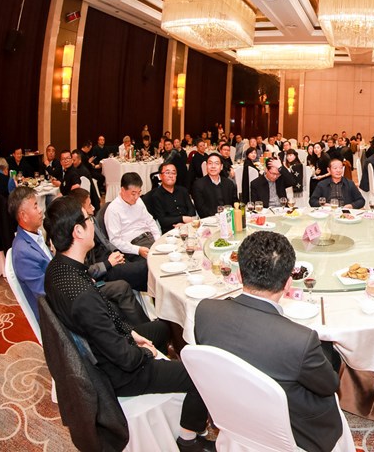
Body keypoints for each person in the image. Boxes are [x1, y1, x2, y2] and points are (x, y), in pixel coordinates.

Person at [42, 196, 213, 452]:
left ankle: (171, 379)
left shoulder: (57, 269)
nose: (93, 222)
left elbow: (103, 322)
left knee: (162, 327)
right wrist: (146, 353)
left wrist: (131, 333)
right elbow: (125, 358)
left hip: (104, 346)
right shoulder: (82, 296)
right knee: (200, 375)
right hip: (117, 372)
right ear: (78, 231)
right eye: (88, 219)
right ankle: (188, 439)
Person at [195, 231, 342, 451]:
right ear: (289, 283)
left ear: (240, 275)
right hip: (293, 431)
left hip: (232, 412)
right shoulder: (300, 340)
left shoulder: (205, 311)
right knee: (330, 356)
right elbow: (329, 386)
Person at [67, 189, 150, 319]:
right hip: (105, 269)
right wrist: (108, 263)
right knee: (145, 269)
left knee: (146, 265)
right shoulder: (77, 238)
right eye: (89, 205)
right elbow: (86, 270)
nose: (93, 208)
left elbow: (105, 241)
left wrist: (116, 253)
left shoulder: (92, 220)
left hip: (112, 258)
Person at [9, 186, 51, 319]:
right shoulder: (23, 253)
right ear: (24, 216)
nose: (40, 210)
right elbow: (45, 294)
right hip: (55, 315)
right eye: (35, 206)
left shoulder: (34, 235)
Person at [104, 172, 161, 259]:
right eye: (133, 193)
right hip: (133, 246)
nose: (136, 197)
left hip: (149, 237)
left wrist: (158, 239)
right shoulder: (113, 209)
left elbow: (150, 221)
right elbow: (115, 240)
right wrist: (137, 250)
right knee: (158, 261)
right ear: (123, 190)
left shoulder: (138, 201)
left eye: (139, 193)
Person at [144, 162, 198, 232]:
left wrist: (184, 223)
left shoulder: (183, 190)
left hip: (188, 226)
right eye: (167, 173)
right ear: (160, 176)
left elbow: (192, 210)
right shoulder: (156, 196)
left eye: (173, 173)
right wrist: (182, 219)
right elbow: (163, 220)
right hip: (170, 230)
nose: (171, 176)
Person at [191, 152, 239, 217]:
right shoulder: (198, 185)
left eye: (216, 163)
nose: (213, 166)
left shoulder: (229, 183)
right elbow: (201, 210)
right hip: (210, 220)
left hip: (229, 217)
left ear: (221, 167)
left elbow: (235, 203)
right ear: (206, 166)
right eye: (210, 163)